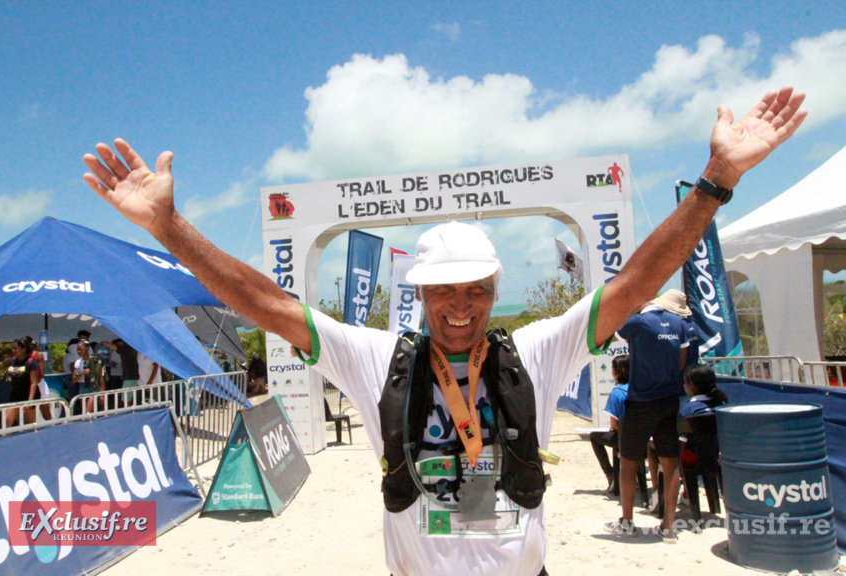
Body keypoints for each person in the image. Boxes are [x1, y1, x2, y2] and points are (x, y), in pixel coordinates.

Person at [83, 87, 806, 575]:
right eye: (443, 292)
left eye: (477, 290)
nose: (460, 306)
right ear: (419, 294)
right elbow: (263, 300)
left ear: (494, 289)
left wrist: (716, 180)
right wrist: (170, 228)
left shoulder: (537, 352)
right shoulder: (376, 359)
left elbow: (634, 284)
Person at [610, 291, 690, 543]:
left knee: (629, 460)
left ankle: (626, 521)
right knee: (670, 461)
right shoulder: (678, 322)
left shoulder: (637, 322)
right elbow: (681, 361)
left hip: (641, 401)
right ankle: (668, 527)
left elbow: (614, 335)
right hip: (669, 399)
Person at [589, 354, 630, 494]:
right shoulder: (643, 389)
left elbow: (615, 425)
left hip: (626, 440)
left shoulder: (617, 393)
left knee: (594, 436)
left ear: (617, 371)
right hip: (645, 439)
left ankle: (611, 475)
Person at [5, 336, 42, 427]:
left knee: (31, 423)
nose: (13, 351)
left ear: (23, 349)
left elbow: (33, 383)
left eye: (15, 349)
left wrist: (30, 401)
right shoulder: (12, 361)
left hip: (28, 394)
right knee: (7, 420)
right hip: (16, 395)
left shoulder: (31, 362)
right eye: (12, 349)